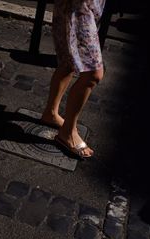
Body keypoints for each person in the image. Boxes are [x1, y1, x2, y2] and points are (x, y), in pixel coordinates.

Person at [41, 0, 106, 158]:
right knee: (93, 73)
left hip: (83, 5)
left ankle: (51, 113)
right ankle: (68, 132)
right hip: (77, 5)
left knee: (67, 61)